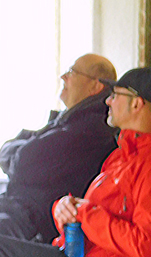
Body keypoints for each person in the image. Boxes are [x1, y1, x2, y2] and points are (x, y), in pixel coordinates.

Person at [0, 68, 151, 257]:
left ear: (137, 104)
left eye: (115, 95)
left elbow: (143, 245)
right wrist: (64, 210)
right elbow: (90, 215)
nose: (108, 101)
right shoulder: (121, 155)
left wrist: (85, 214)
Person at [0, 54, 118, 242]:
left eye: (72, 72)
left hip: (35, 226)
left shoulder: (90, 129)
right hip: (20, 211)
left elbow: (22, 163)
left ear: (95, 86)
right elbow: (12, 151)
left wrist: (20, 146)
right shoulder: (71, 119)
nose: (63, 77)